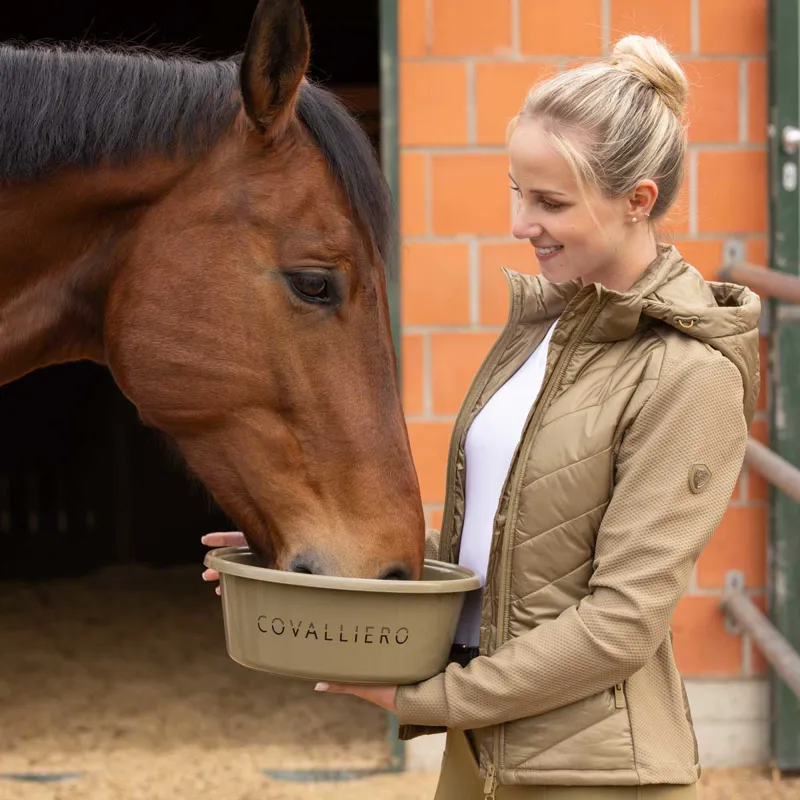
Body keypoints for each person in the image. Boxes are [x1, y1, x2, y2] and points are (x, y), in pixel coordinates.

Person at [202, 35, 760, 799]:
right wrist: (319, 561)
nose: (520, 222)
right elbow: (503, 547)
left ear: (639, 201)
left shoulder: (688, 374)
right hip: (483, 754)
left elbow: (620, 624)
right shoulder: (542, 329)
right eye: (517, 191)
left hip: (592, 774)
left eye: (551, 202)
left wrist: (427, 701)